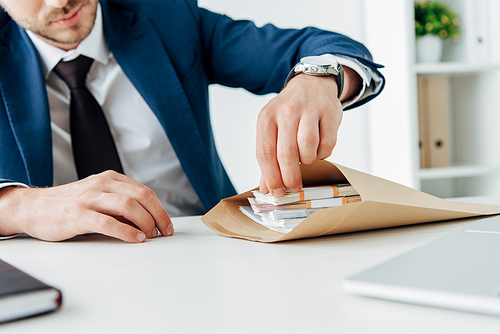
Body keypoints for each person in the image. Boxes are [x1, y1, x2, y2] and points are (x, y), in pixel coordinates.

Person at [0, 0, 384, 243]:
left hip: (197, 241)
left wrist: (318, 78)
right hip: (58, 268)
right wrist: (22, 206)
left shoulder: (167, 16)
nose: (61, 1)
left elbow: (324, 48)